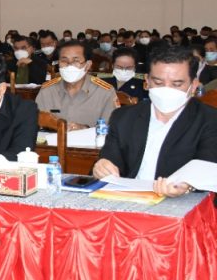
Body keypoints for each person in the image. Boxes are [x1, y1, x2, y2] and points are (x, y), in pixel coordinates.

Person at [93, 45, 217, 196]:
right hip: (128, 197)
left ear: (193, 85)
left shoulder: (209, 120)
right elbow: (111, 159)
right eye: (158, 83)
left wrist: (187, 185)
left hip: (182, 202)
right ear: (147, 81)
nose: (166, 90)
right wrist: (102, 166)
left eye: (177, 84)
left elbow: (208, 167)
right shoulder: (124, 117)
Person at [35, 40, 116, 130]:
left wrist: (84, 129)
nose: (69, 66)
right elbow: (35, 124)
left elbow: (112, 129)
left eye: (76, 61)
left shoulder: (105, 91)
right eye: (64, 61)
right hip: (53, 138)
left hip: (90, 139)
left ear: (88, 65)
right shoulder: (47, 90)